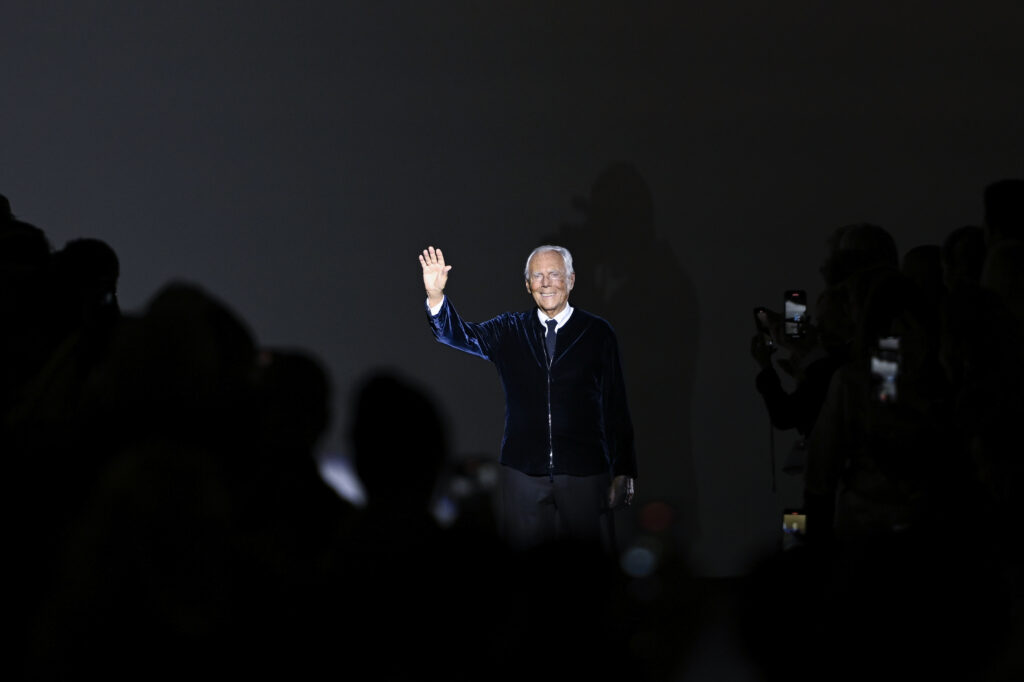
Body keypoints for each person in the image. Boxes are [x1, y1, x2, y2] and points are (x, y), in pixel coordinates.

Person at [419, 244, 637, 551]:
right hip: (522, 471)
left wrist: (624, 468)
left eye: (554, 274)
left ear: (571, 280)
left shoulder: (597, 333)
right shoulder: (510, 330)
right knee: (523, 569)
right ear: (527, 285)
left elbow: (615, 403)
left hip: (585, 470)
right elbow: (456, 334)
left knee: (589, 568)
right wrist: (436, 295)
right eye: (537, 276)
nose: (546, 283)